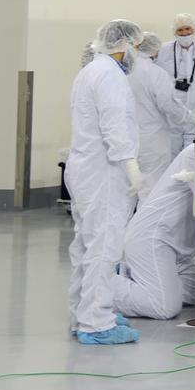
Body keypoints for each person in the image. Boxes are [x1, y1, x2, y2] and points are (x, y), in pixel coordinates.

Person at [68, 19, 145, 345]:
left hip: (85, 170)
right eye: (136, 47)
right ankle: (96, 323)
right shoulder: (110, 75)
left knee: (85, 246)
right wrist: (131, 166)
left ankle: (82, 314)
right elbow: (114, 125)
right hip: (105, 173)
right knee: (103, 248)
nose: (136, 54)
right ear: (124, 44)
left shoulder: (90, 70)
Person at [113, 145, 195, 320]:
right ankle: (98, 284)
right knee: (164, 307)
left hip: (177, 246)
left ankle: (136, 276)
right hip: (154, 239)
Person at [129, 33, 192, 200]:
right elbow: (168, 104)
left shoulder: (125, 71)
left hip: (129, 137)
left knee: (133, 187)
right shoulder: (155, 73)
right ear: (155, 50)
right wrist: (188, 118)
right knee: (152, 188)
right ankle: (147, 218)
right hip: (153, 139)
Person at [156, 13, 195, 150]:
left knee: (192, 150)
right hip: (172, 108)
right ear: (174, 32)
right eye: (180, 30)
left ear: (194, 29)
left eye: (187, 28)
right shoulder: (163, 50)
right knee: (172, 147)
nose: (184, 33)